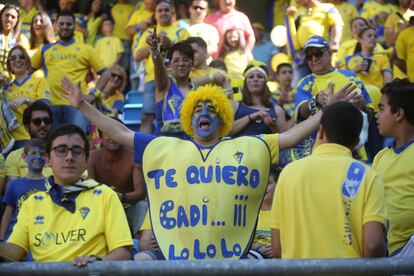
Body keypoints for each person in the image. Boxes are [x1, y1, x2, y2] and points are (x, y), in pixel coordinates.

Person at [62, 71, 357, 260]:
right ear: (189, 119)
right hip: (178, 256)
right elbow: (120, 132)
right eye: (199, 109)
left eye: (212, 109)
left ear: (223, 119)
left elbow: (291, 136)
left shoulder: (248, 146)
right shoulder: (166, 147)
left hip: (234, 257)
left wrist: (327, 111)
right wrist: (83, 107)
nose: (205, 114)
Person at [0, 124, 133, 263]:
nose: (69, 157)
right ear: (48, 160)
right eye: (61, 150)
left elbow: (123, 253)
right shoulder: (32, 203)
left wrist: (98, 262)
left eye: (76, 151)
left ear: (86, 160)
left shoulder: (105, 195)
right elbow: (14, 252)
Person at [271, 102, 387, 258]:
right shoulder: (369, 176)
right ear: (356, 140)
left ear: (320, 131)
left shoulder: (288, 173)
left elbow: (277, 248)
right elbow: (373, 246)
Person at [293, 36, 371, 161]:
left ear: (329, 53)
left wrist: (362, 106)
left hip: (354, 149)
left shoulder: (351, 77)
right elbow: (301, 112)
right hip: (319, 150)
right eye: (309, 56)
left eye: (317, 54)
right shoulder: (305, 82)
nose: (313, 59)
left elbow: (371, 113)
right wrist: (316, 100)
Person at [31, 10, 106, 133]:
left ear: (75, 26)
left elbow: (105, 73)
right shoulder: (45, 49)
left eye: (68, 24)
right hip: (50, 105)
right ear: (56, 26)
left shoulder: (86, 49)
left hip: (77, 105)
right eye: (61, 24)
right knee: (53, 144)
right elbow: (25, 71)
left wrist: (93, 94)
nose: (65, 27)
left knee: (77, 142)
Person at [147, 35, 226, 138]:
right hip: (165, 146)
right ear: (169, 66)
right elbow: (159, 67)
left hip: (191, 146)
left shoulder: (198, 92)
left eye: (186, 60)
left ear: (192, 64)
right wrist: (155, 50)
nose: (181, 64)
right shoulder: (164, 86)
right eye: (175, 61)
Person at [134, 0, 190, 134]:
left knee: (180, 117)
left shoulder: (182, 31)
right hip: (152, 79)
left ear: (173, 12)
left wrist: (171, 44)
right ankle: (145, 150)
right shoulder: (148, 32)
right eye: (160, 10)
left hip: (177, 80)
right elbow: (137, 56)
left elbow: (189, 54)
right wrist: (153, 44)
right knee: (147, 116)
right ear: (155, 14)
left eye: (166, 10)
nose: (163, 13)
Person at [372, 78, 414, 257]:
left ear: (398, 114)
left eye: (381, 109)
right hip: (388, 253)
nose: (376, 115)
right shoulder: (380, 157)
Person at [87, 118, 147, 239]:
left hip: (128, 206)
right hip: (102, 207)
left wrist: (120, 197)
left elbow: (140, 193)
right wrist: (108, 197)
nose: (112, 138)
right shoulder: (92, 157)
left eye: (115, 133)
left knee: (142, 205)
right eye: (108, 134)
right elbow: (89, 191)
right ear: (101, 136)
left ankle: (141, 242)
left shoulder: (133, 156)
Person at [3, 45, 51, 151]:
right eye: (13, 58)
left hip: (29, 138)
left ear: (28, 62)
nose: (17, 60)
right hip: (8, 142)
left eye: (21, 57)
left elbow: (46, 108)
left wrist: (26, 100)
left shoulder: (39, 81)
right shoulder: (5, 89)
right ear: (9, 65)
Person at [0, 139, 47, 242]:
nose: (38, 157)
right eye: (33, 153)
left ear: (47, 158)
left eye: (42, 154)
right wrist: (1, 239)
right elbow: (8, 214)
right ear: (24, 157)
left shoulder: (51, 185)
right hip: (14, 237)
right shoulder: (15, 185)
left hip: (41, 238)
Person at [230, 64, 289, 137]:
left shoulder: (278, 110)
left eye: (260, 77)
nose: (255, 79)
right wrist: (250, 117)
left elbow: (285, 138)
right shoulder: (235, 105)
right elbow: (226, 132)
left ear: (265, 83)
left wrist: (273, 127)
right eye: (251, 77)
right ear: (245, 83)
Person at [4, 101, 53, 186]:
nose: (42, 125)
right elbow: (12, 193)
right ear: (27, 127)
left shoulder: (61, 153)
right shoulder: (15, 156)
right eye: (37, 121)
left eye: (46, 120)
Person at [248, 167, 279, 259]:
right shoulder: (248, 213)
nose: (264, 187)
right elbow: (240, 241)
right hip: (254, 255)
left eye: (268, 183)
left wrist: (278, 249)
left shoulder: (287, 211)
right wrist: (259, 248)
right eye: (260, 183)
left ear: (278, 185)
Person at [0, 4, 30, 78]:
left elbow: (25, 66)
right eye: (7, 15)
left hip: (12, 85)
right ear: (1, 17)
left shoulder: (22, 40)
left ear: (17, 20)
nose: (9, 19)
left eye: (13, 17)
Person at [220, 28, 253, 94]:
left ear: (239, 37)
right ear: (226, 39)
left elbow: (251, 67)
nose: (232, 39)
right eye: (229, 37)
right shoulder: (223, 53)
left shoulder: (246, 52)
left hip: (244, 84)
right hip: (229, 85)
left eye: (234, 37)